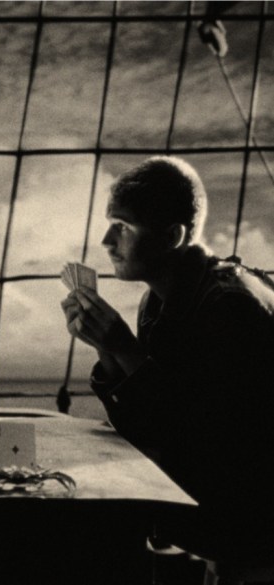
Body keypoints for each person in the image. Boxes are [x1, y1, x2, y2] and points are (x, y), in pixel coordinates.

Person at [61, 156, 274, 563]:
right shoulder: (158, 301)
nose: (107, 241)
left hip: (248, 516)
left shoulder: (229, 307)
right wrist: (106, 347)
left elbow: (200, 438)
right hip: (215, 492)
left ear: (173, 236)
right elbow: (149, 422)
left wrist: (124, 347)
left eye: (123, 226)